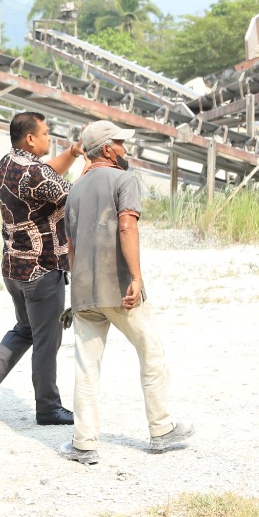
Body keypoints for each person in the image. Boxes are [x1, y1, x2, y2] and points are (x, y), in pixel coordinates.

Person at [60, 119, 192, 466]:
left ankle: (83, 444)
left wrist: (78, 286)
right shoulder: (123, 179)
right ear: (106, 149)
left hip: (84, 291)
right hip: (119, 287)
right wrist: (135, 276)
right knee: (151, 352)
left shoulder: (74, 189)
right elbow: (127, 227)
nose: (125, 148)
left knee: (87, 367)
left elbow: (70, 245)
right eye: (120, 143)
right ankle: (161, 430)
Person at [0, 111, 81, 425]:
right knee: (47, 338)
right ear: (30, 138)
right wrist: (93, 164)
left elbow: (45, 176)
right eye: (45, 133)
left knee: (26, 330)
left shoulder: (7, 163)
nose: (49, 137)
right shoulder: (37, 174)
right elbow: (76, 196)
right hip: (42, 270)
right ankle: (48, 407)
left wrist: (72, 154)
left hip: (13, 268)